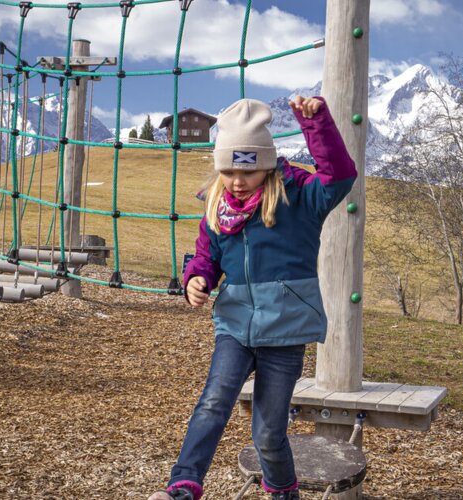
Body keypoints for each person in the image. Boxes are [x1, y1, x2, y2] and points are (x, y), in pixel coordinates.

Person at [149, 95, 357, 500]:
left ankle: (282, 492)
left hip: (284, 333)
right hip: (235, 327)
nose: (237, 181)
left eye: (248, 170)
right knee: (213, 403)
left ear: (267, 164)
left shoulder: (299, 198)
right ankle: (183, 486)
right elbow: (208, 257)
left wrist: (315, 123)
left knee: (267, 432)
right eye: (227, 170)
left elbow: (339, 176)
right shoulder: (217, 207)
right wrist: (198, 279)